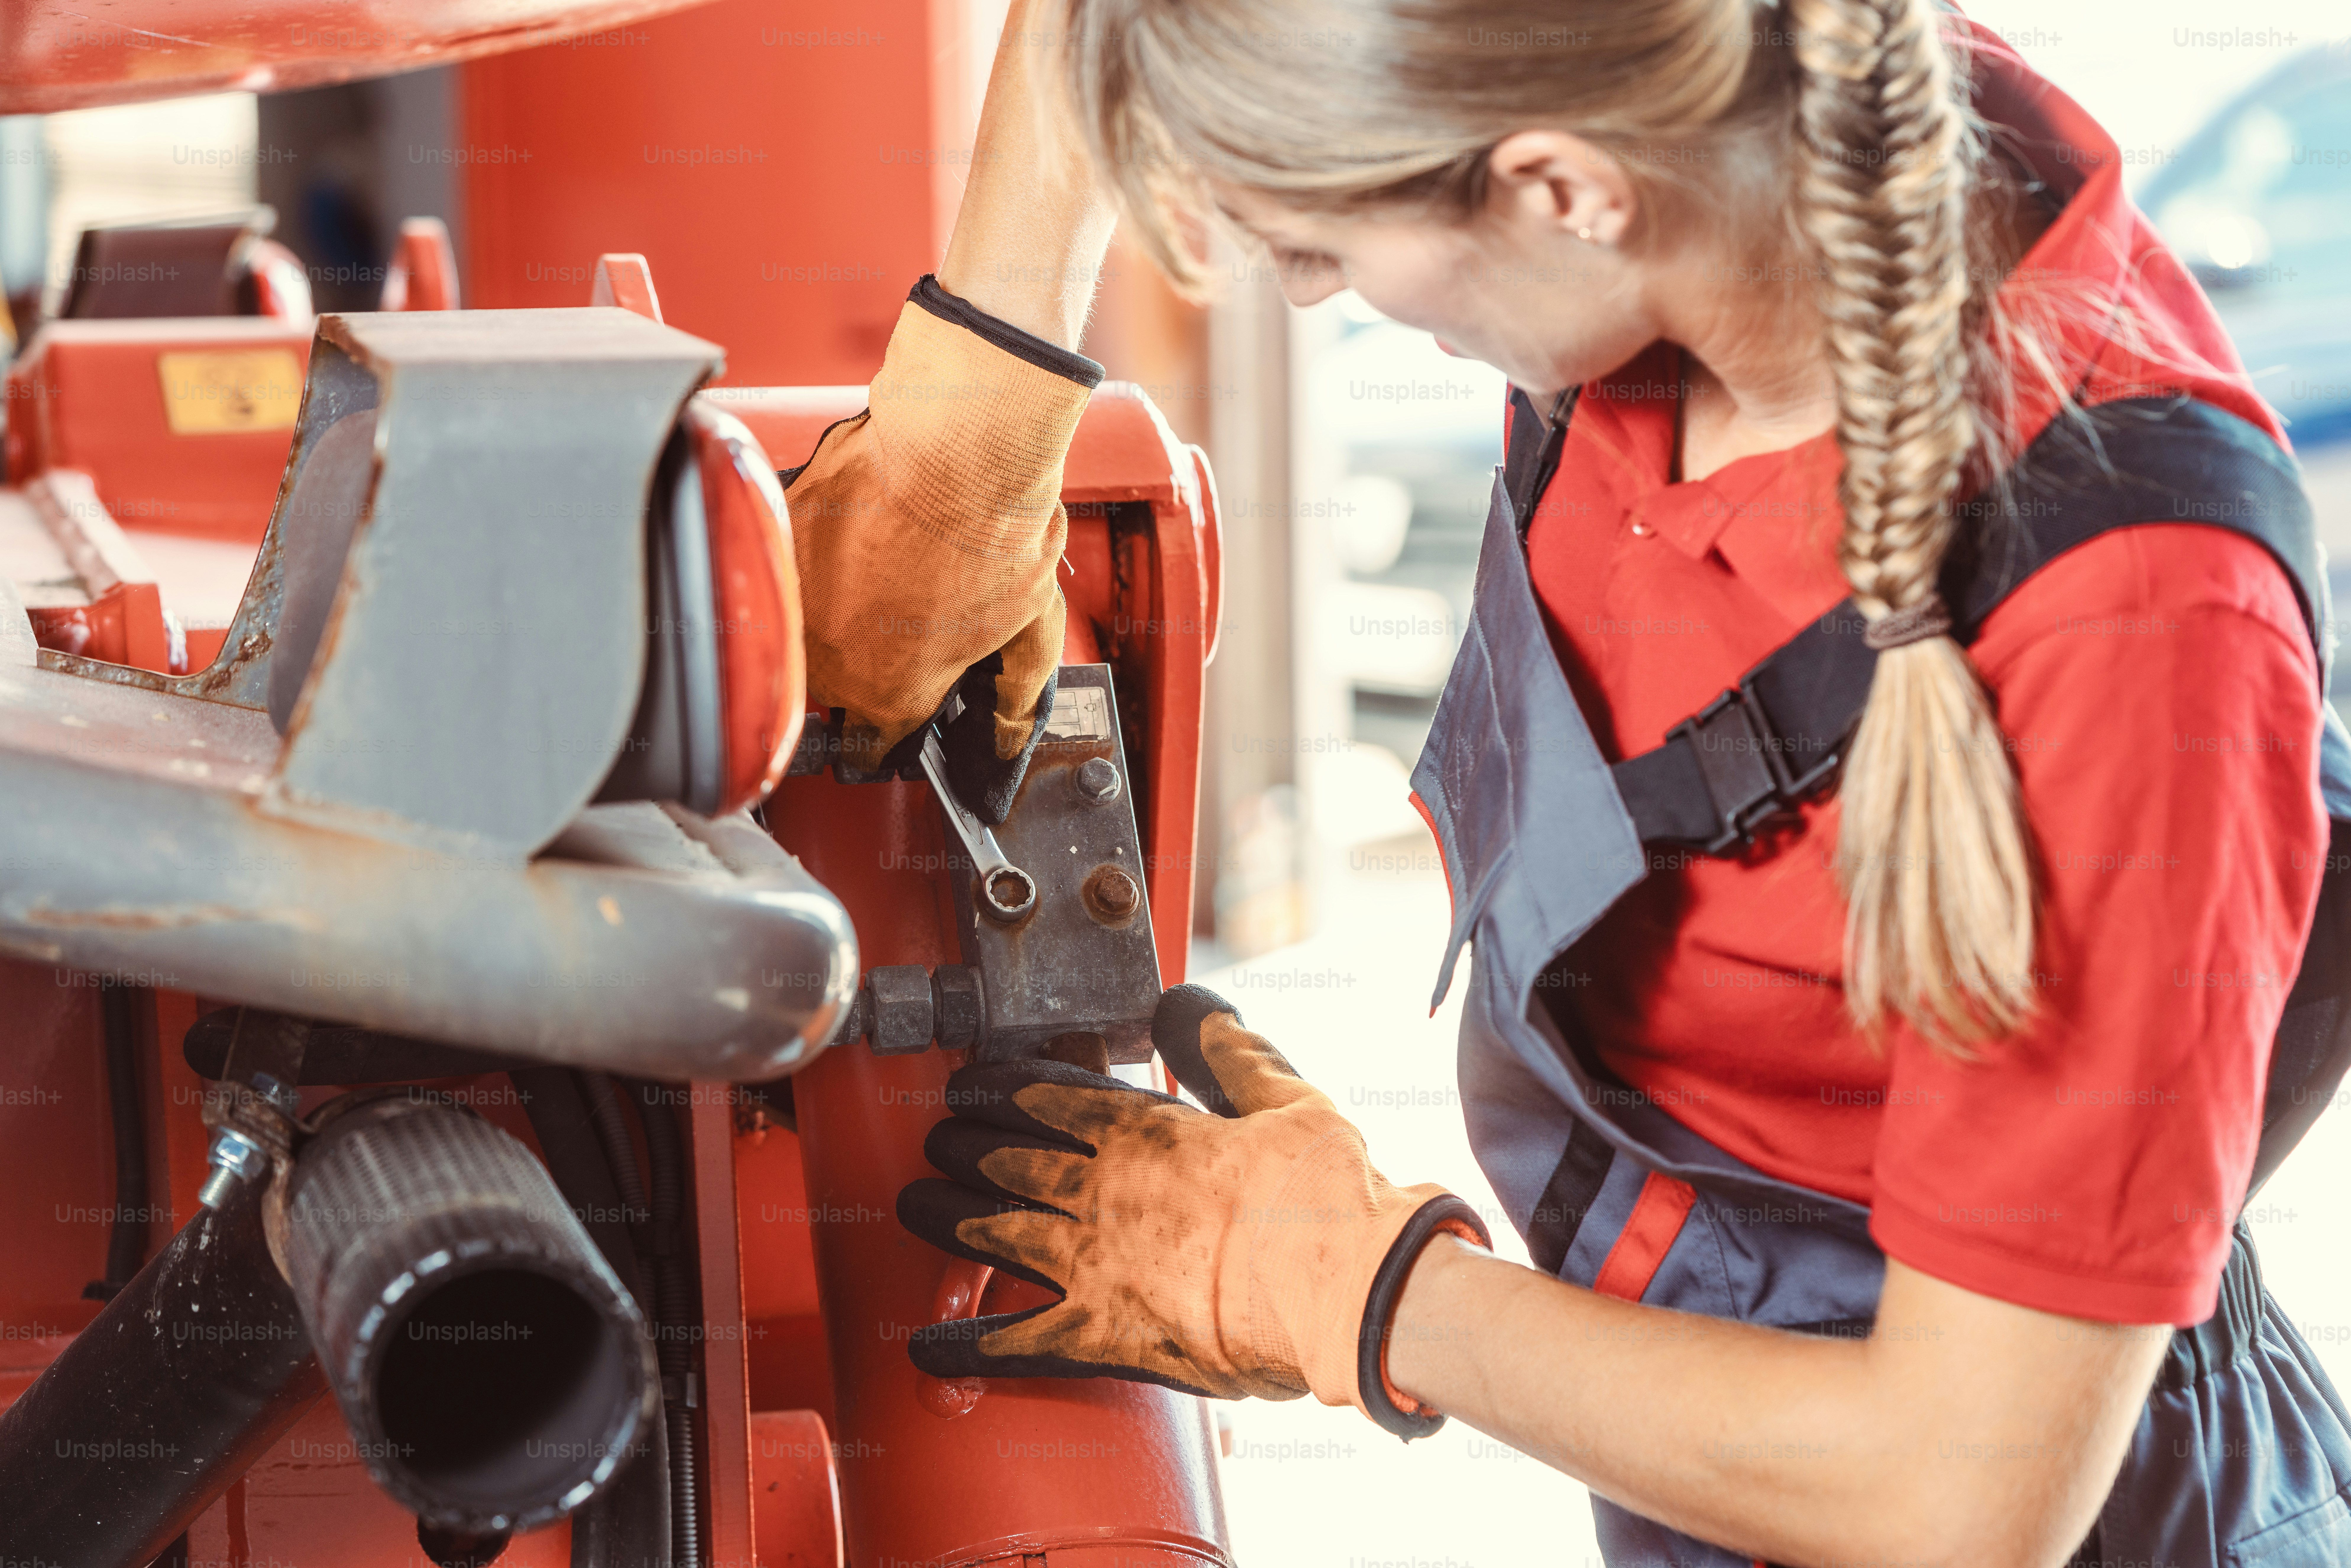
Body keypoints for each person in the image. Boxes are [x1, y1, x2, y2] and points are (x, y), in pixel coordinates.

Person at [834, 2, 2351, 1564]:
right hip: (1691, 1436)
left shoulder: (2139, 628)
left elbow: (1955, 1498)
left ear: (1562, 192)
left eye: (1322, 238)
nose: (1297, 289)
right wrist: (977, 426)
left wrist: (1353, 1284)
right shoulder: (1700, 99)